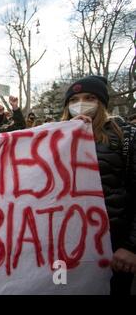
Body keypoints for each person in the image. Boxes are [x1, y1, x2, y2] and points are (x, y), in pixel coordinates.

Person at [62, 75, 136, 295]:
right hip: (70, 243)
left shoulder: (126, 137)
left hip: (115, 247)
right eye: (74, 100)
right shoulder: (56, 138)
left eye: (89, 97)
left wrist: (132, 246)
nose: (81, 104)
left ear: (102, 103)